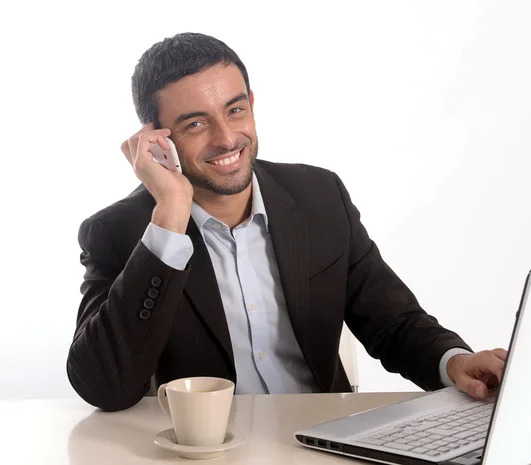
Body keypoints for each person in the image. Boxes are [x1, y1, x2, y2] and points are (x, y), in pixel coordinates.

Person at [66, 32, 506, 412]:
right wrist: (169, 219)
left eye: (235, 110)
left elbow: (393, 322)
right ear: (156, 139)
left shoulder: (320, 197)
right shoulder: (120, 233)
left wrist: (453, 362)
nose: (226, 138)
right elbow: (105, 386)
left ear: (252, 104)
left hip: (325, 440)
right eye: (196, 123)